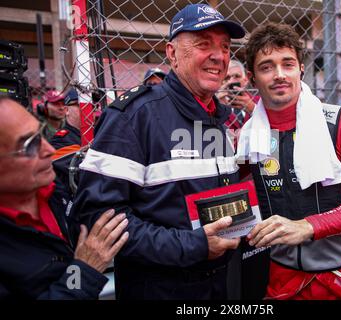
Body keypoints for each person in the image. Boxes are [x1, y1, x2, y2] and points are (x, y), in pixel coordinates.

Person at [70, 3, 245, 300]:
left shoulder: (221, 117)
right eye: (204, 45)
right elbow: (98, 218)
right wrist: (194, 245)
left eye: (226, 47)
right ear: (172, 54)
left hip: (219, 286)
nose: (219, 56)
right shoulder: (132, 116)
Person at [238, 22, 341, 300]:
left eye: (288, 64)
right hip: (280, 277)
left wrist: (309, 226)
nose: (279, 75)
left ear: (301, 69)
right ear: (252, 77)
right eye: (267, 66)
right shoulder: (248, 135)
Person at [0, 97, 129, 299]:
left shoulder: (51, 189)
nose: (49, 150)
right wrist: (84, 270)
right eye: (29, 145)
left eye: (41, 135)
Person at [50, 88, 82, 216]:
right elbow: (85, 171)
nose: (89, 108)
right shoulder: (61, 140)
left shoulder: (99, 134)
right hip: (73, 210)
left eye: (94, 104)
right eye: (80, 105)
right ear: (66, 110)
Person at [217, 60, 256, 128]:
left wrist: (253, 109)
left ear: (246, 80)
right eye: (227, 78)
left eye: (237, 76)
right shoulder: (213, 103)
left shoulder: (259, 101)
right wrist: (217, 107)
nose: (231, 81)